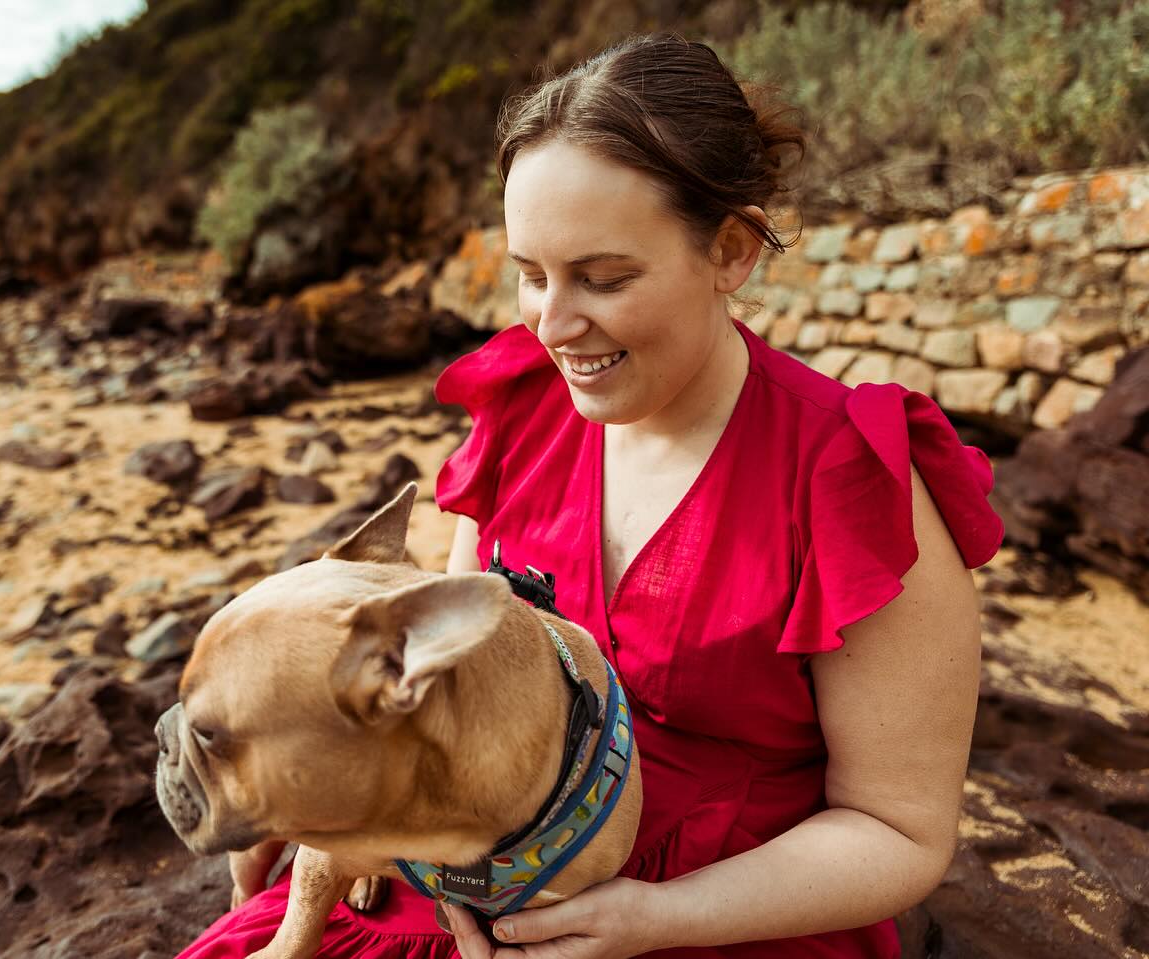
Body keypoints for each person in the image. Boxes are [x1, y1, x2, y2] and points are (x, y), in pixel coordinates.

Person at [176, 29, 1003, 959]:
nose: (554, 324)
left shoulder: (849, 477)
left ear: (731, 250)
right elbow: (438, 690)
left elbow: (902, 831)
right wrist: (332, 799)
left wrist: (652, 919)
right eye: (530, 275)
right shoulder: (522, 409)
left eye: (603, 279)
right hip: (462, 872)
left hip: (727, 916)